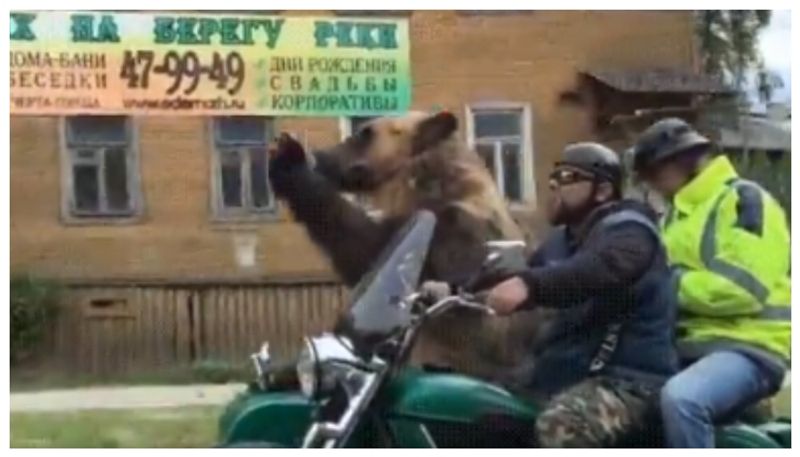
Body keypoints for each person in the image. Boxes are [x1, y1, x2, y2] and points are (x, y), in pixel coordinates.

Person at [482, 142, 679, 447]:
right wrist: (451, 290)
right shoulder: (563, 240)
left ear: (602, 190)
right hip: (569, 373)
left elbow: (603, 267)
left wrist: (530, 286)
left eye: (567, 178)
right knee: (484, 407)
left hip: (627, 381)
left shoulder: (631, 230)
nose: (554, 188)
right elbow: (516, 278)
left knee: (562, 426)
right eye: (553, 179)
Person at [630, 118, 791, 448]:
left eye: (655, 174)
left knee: (683, 400)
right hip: (685, 348)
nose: (653, 186)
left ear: (683, 160)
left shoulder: (744, 201)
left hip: (747, 348)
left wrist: (666, 286)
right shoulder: (675, 216)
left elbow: (744, 288)